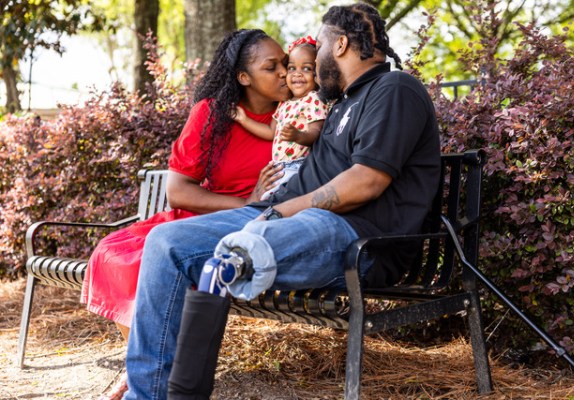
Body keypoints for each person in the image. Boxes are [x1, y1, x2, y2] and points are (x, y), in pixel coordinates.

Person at [124, 3, 441, 399]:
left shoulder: (394, 90)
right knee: (164, 243)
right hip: (278, 218)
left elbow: (366, 182)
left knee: (252, 246)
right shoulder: (340, 103)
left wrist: (278, 212)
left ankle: (243, 251)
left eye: (320, 47)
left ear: (340, 44)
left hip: (354, 236)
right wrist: (267, 209)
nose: (309, 61)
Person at [83, 28, 290, 400]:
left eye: (285, 65)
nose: (283, 73)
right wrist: (245, 202)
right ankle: (143, 367)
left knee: (153, 261)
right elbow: (178, 190)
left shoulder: (294, 117)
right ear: (243, 77)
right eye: (271, 67)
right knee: (117, 255)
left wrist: (257, 205)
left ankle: (142, 373)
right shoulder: (214, 113)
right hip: (205, 216)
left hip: (258, 227)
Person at [233, 35, 329, 200]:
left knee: (275, 201)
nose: (296, 74)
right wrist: (243, 119)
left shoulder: (313, 99)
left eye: (306, 68)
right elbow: (271, 131)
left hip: (299, 165)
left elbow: (315, 132)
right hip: (280, 167)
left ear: (317, 73)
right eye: (292, 68)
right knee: (268, 199)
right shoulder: (284, 103)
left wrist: (298, 136)